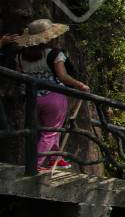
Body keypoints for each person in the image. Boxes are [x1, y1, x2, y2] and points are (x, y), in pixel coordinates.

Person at [14, 19, 90, 171]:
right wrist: (81, 85)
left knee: (43, 130)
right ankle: (35, 164)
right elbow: (63, 76)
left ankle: (55, 158)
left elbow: (19, 76)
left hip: (32, 98)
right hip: (53, 96)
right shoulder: (54, 54)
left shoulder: (20, 56)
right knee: (51, 131)